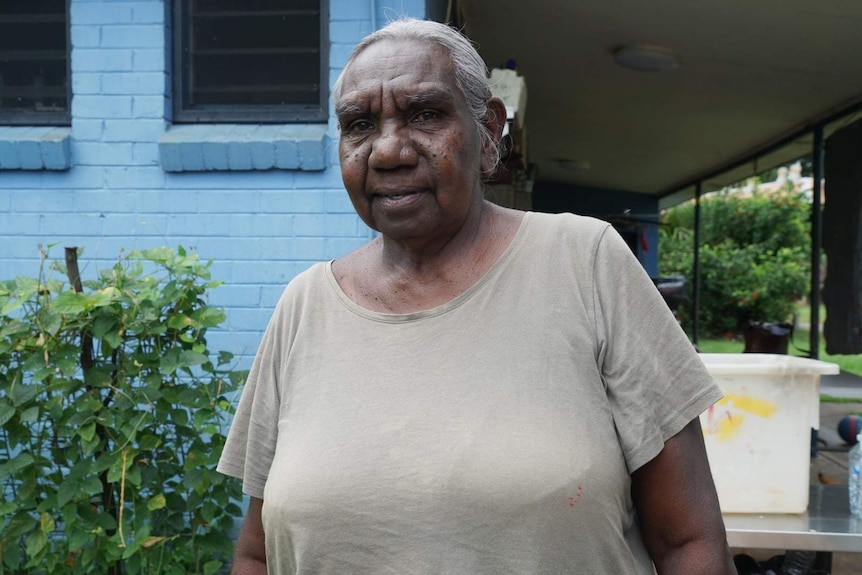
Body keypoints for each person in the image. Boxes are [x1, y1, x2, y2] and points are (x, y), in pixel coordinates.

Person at [217, 17, 736, 575]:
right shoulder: (306, 306)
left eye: (425, 115)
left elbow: (690, 543)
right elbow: (257, 554)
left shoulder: (585, 263)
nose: (389, 151)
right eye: (360, 124)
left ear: (488, 132)